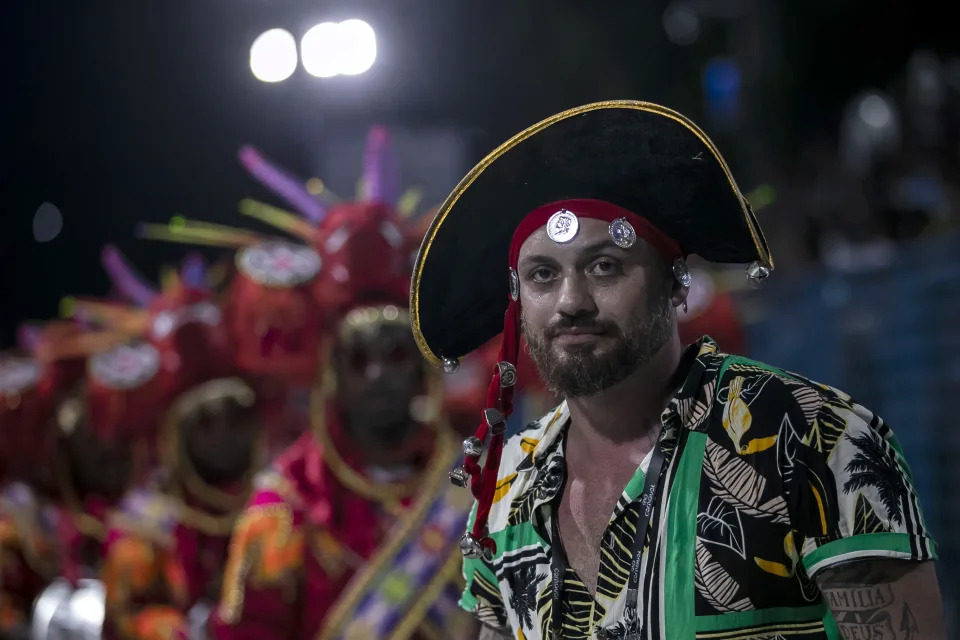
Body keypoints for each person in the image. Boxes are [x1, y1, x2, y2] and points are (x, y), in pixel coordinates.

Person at [409, 101, 945, 639]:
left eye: (604, 267)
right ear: (518, 300)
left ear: (675, 282)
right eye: (543, 275)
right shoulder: (505, 487)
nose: (571, 301)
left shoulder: (815, 439)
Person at [212, 203, 476, 640]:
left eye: (396, 354)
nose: (379, 375)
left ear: (421, 367)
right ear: (332, 373)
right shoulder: (283, 505)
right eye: (358, 358)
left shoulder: (485, 485)